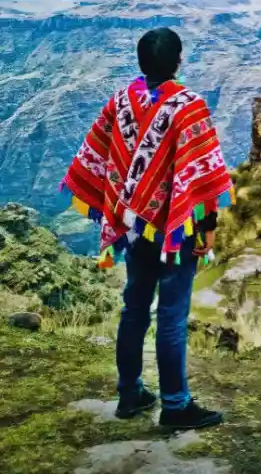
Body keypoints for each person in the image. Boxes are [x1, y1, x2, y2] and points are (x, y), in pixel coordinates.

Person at [61, 27, 235, 430]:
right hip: (175, 231)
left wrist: (119, 209)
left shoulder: (121, 101)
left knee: (135, 307)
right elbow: (201, 174)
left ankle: (130, 394)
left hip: (133, 226)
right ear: (178, 61)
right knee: (171, 315)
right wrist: (207, 228)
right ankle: (175, 406)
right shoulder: (188, 106)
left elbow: (97, 156)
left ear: (142, 62)